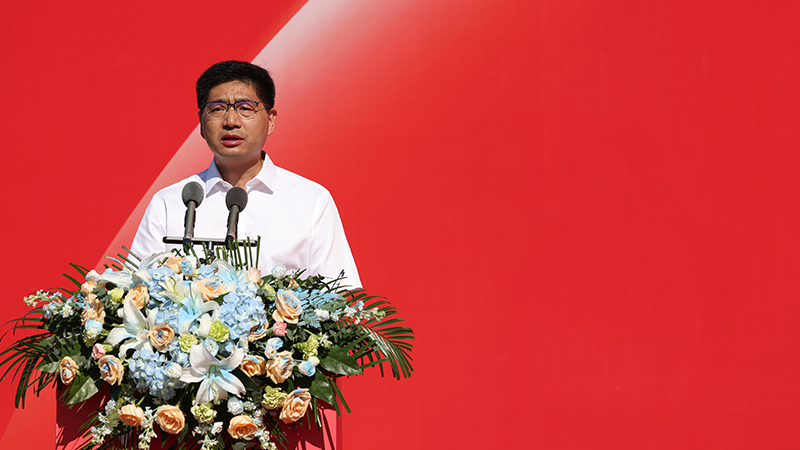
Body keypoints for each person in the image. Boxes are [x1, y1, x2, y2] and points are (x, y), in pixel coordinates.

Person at [130, 60, 360, 288]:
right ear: (201, 123)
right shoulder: (169, 203)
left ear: (270, 120)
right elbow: (134, 290)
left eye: (245, 108)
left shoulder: (311, 200)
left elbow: (339, 292)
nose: (231, 122)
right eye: (217, 109)